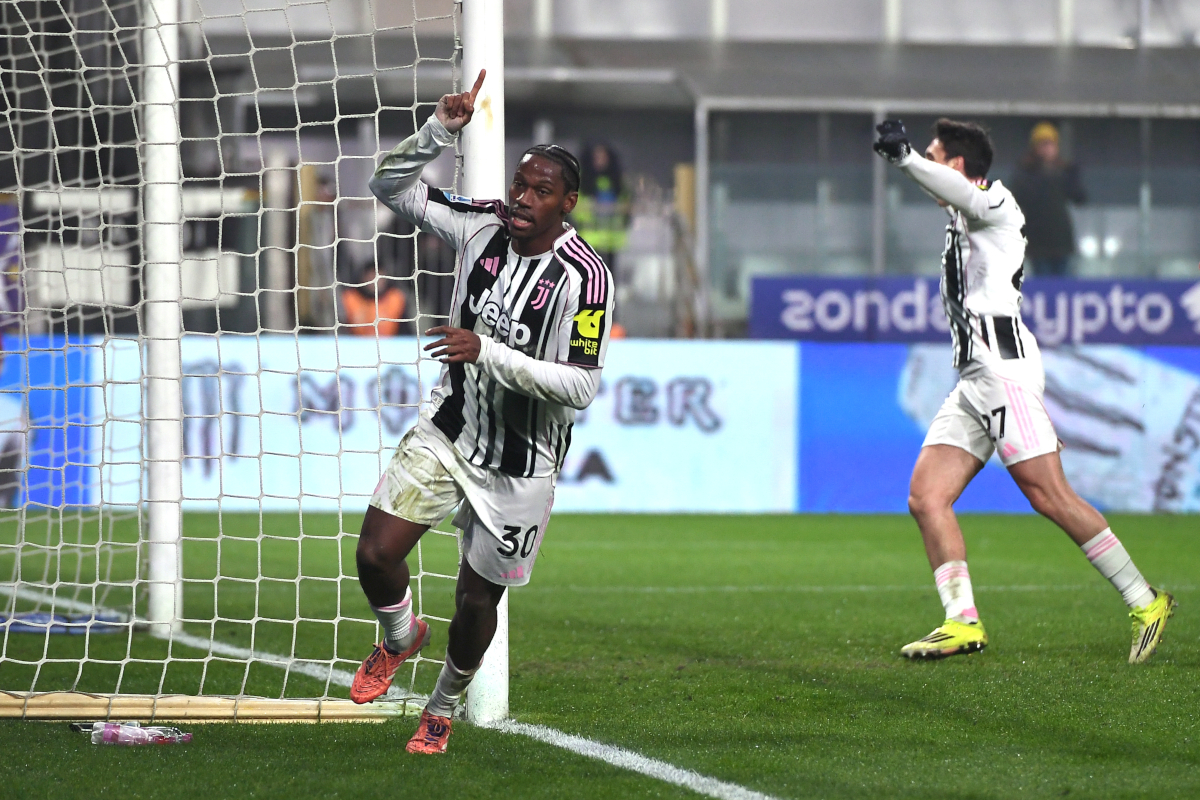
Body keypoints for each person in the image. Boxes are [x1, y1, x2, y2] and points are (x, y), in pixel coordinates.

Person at [356, 70, 614, 754]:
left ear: (569, 203)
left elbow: (582, 387)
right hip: (449, 428)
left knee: (477, 602)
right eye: (520, 185)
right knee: (376, 555)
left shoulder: (586, 278)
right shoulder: (480, 224)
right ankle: (400, 635)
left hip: (521, 465)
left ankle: (441, 707)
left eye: (541, 191)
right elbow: (387, 187)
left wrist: (488, 351)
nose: (523, 199)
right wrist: (440, 130)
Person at [872, 118, 1175, 664]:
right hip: (975, 377)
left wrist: (905, 158)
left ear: (959, 166)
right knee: (926, 496)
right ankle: (961, 621)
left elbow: (959, 190)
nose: (927, 164)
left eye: (936, 155)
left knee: (1049, 496)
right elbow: (950, 193)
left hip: (1000, 372)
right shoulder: (961, 217)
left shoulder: (996, 202)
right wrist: (916, 161)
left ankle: (1144, 600)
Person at [1007, 122, 1086, 277]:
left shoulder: (1064, 171)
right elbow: (1017, 198)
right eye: (1043, 145)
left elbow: (1080, 197)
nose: (1047, 149)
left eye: (1050, 144)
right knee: (1044, 280)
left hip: (1061, 241)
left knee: (1063, 283)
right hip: (1038, 243)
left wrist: (1070, 174)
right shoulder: (1026, 173)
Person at [339, 265, 406, 336]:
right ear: (363, 278)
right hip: (356, 343)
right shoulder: (350, 298)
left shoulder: (395, 298)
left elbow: (405, 330)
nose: (374, 283)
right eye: (371, 277)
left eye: (378, 279)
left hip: (390, 343)